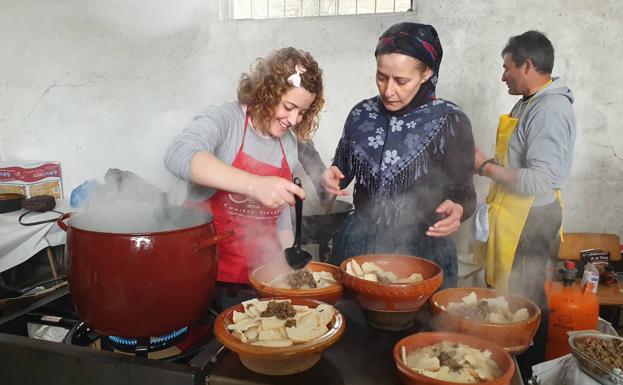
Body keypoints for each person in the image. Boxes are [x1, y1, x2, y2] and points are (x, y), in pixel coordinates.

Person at [322, 23, 476, 288]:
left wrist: (459, 209)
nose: (388, 91)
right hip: (359, 246)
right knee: (354, 323)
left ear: (427, 73)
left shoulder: (450, 120)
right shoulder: (362, 114)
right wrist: (329, 179)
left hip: (424, 249)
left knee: (424, 327)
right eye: (381, 77)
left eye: (401, 81)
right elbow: (340, 175)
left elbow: (465, 193)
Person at [165, 47, 324, 284]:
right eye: (289, 107)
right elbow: (178, 155)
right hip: (207, 272)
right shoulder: (226, 119)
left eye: (302, 112)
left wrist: (292, 262)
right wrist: (254, 184)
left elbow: (279, 213)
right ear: (267, 92)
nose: (293, 120)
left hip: (260, 274)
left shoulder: (288, 143)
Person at [473, 30, 576, 376]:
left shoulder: (550, 109)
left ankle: (528, 373)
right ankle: (505, 367)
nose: (503, 76)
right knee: (507, 297)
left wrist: (485, 167)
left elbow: (539, 180)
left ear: (528, 65)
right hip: (514, 216)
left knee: (527, 303)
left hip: (532, 221)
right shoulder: (527, 102)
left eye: (507, 68)